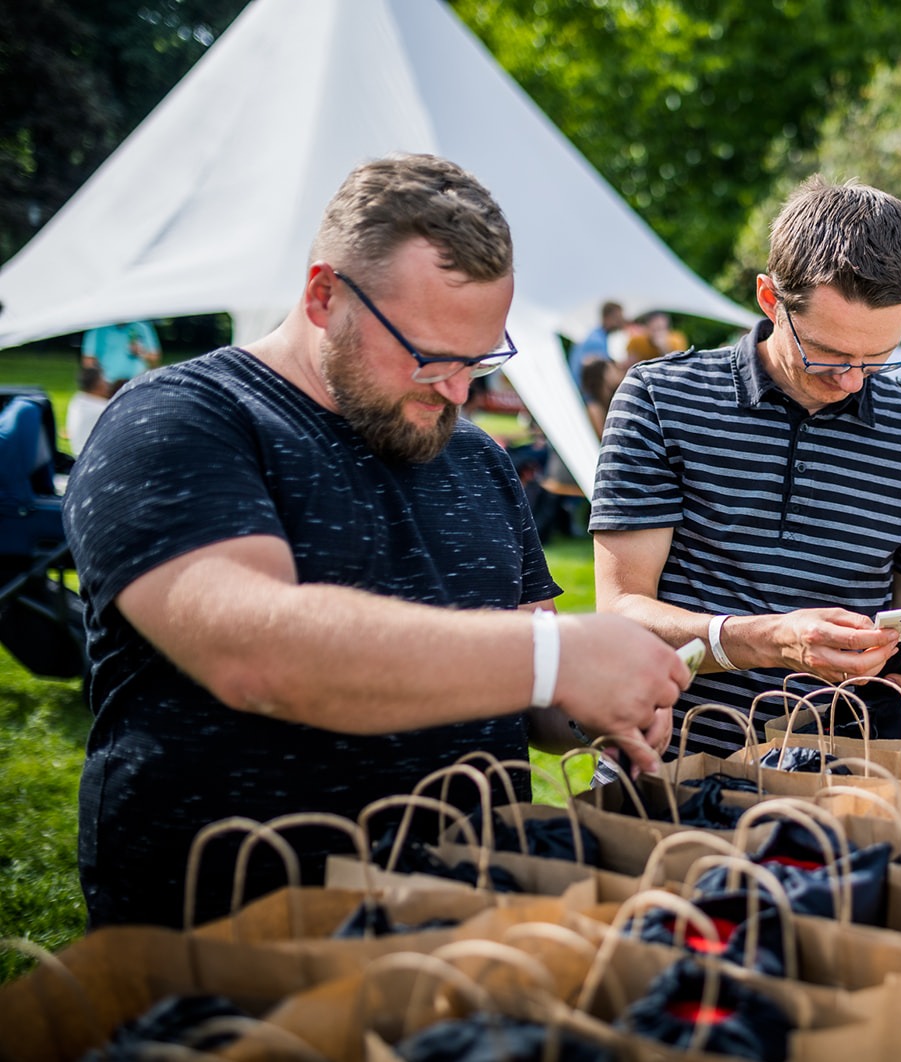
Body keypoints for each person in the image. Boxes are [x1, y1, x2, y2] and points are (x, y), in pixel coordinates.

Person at [63, 154, 690, 929]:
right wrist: (557, 655)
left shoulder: (480, 460)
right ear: (324, 295)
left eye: (481, 360)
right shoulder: (181, 421)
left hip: (470, 918)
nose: (459, 391)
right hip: (236, 939)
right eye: (431, 357)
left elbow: (530, 697)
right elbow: (256, 654)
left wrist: (597, 703)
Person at [589, 175, 901, 761]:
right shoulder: (661, 398)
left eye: (878, 358)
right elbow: (620, 613)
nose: (850, 379)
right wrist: (766, 641)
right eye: (827, 354)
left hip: (845, 775)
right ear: (770, 299)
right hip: (672, 764)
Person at [569, 300, 626, 394]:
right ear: (607, 318)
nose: (621, 322)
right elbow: (590, 376)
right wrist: (590, 401)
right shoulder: (596, 342)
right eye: (618, 318)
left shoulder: (598, 335)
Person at [81, 319, 161, 385]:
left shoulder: (142, 327)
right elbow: (88, 360)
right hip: (109, 384)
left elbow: (154, 358)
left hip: (137, 382)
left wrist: (140, 352)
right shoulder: (98, 329)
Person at [65, 363, 115, 455]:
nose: (108, 384)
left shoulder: (77, 400)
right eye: (104, 380)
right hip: (95, 458)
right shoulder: (102, 409)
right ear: (98, 384)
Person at [625, 310, 689, 364]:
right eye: (654, 329)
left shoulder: (676, 339)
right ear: (647, 327)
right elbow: (630, 362)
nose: (658, 333)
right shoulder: (637, 341)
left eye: (660, 328)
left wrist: (664, 347)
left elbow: (678, 364)